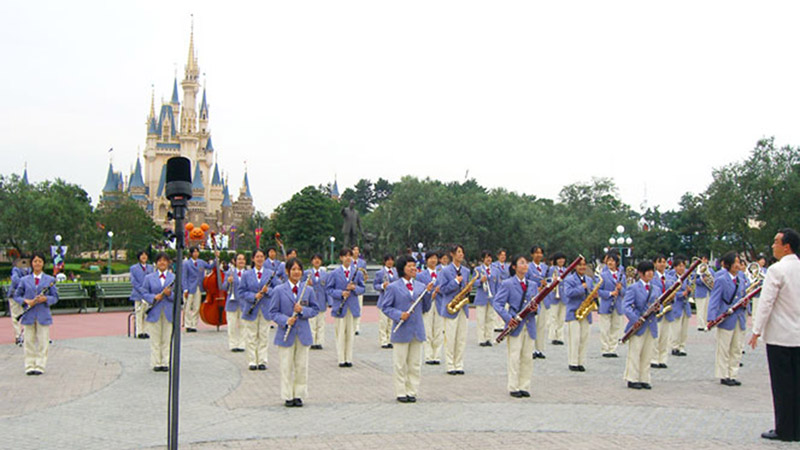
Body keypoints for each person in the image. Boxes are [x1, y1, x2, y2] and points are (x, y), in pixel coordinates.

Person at [749, 228, 800, 441]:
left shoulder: (776, 270)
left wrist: (756, 330)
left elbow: (766, 303)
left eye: (776, 242)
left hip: (780, 337)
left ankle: (784, 429)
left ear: (786, 246)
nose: (773, 246)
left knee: (782, 387)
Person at [380, 255, 434, 403]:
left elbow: (426, 308)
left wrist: (428, 294)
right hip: (401, 330)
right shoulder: (393, 287)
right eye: (409, 266)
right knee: (400, 363)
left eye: (414, 266)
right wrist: (399, 315)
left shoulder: (421, 286)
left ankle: (412, 391)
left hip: (417, 330)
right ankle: (401, 391)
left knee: (415, 364)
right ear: (402, 268)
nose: (413, 268)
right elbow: (386, 307)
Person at [270, 258, 319, 407]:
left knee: (301, 366)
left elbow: (315, 309)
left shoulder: (308, 290)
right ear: (287, 271)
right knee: (286, 366)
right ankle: (287, 395)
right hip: (286, 333)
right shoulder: (279, 290)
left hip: (303, 333)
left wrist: (302, 310)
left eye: (299, 269)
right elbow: (273, 312)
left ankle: (299, 394)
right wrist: (285, 320)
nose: (296, 272)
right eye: (293, 269)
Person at [493, 255, 537, 398]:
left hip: (529, 324)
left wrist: (535, 309)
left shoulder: (533, 284)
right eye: (522, 263)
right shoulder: (508, 283)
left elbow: (537, 304)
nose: (525, 265)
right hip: (515, 324)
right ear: (514, 267)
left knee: (527, 357)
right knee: (514, 356)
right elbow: (497, 303)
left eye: (526, 263)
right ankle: (513, 386)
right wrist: (508, 318)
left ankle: (525, 385)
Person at [13, 252, 58, 375]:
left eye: (40, 261)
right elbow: (16, 296)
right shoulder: (24, 280)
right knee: (28, 341)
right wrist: (26, 301)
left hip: (43, 314)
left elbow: (55, 297)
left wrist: (46, 299)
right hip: (29, 315)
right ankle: (29, 365)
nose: (37, 263)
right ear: (32, 263)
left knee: (43, 341)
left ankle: (40, 365)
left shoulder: (50, 280)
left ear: (43, 264)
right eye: (35, 261)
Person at [708, 251, 748, 386]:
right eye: (735, 262)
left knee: (737, 347)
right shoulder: (721, 279)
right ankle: (723, 375)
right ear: (729, 264)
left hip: (739, 317)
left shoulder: (741, 279)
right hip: (726, 317)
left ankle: (733, 374)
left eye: (739, 262)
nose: (738, 265)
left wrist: (745, 304)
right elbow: (715, 299)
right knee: (724, 347)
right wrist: (711, 317)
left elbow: (744, 296)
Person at [326, 247, 366, 367]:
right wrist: (340, 293)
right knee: (340, 334)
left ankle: (349, 358)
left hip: (352, 307)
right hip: (340, 306)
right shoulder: (334, 273)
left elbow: (362, 288)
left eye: (349, 255)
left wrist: (355, 288)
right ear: (341, 258)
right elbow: (329, 289)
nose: (347, 258)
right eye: (345, 256)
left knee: (350, 334)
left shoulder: (357, 272)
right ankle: (341, 359)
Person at [623, 261, 658, 389]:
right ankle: (632, 378)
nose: (650, 273)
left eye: (651, 271)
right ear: (641, 273)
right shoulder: (634, 287)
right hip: (638, 324)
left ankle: (644, 378)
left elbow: (660, 304)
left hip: (651, 324)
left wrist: (658, 308)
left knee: (647, 353)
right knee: (635, 352)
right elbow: (626, 306)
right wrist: (635, 319)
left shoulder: (656, 288)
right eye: (647, 271)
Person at [438, 244, 472, 375]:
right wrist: (456, 282)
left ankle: (459, 364)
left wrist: (467, 288)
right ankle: (450, 364)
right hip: (450, 307)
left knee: (461, 338)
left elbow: (465, 287)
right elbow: (443, 289)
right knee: (450, 337)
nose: (461, 254)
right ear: (452, 254)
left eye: (462, 252)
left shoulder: (466, 271)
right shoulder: (445, 271)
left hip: (462, 307)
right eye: (458, 252)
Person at [241, 249, 275, 371]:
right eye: (257, 257)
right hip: (251, 308)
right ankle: (252, 361)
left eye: (262, 256)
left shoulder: (270, 273)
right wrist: (253, 296)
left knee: (264, 336)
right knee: (251, 335)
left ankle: (262, 361)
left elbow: (277, 290)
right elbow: (241, 292)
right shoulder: (246, 274)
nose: (260, 259)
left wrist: (268, 291)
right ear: (253, 259)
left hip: (265, 309)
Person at [141, 252, 175, 372]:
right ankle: (156, 362)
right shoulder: (149, 278)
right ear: (156, 263)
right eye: (160, 260)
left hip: (168, 312)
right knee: (155, 339)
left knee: (166, 338)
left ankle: (166, 362)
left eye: (164, 260)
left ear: (168, 263)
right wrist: (154, 297)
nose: (162, 263)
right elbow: (144, 293)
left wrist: (170, 294)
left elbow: (179, 296)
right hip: (154, 311)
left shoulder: (173, 278)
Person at [563, 259, 596, 372]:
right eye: (579, 265)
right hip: (574, 311)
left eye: (584, 265)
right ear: (575, 266)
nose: (582, 267)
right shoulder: (569, 279)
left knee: (584, 338)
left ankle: (581, 361)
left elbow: (591, 292)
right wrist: (582, 287)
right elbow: (568, 293)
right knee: (575, 338)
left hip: (586, 312)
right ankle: (573, 362)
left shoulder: (589, 279)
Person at [181, 246, 217, 332]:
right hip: (190, 287)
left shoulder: (201, 262)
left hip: (199, 287)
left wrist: (216, 258)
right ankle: (187, 324)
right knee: (188, 306)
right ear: (191, 253)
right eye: (194, 252)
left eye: (197, 252)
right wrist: (185, 289)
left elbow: (210, 266)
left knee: (196, 307)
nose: (196, 253)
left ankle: (193, 324)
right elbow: (184, 277)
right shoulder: (186, 263)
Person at [417, 251, 443, 365]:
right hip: (427, 303)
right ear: (426, 260)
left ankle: (437, 355)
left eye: (435, 258)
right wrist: (429, 293)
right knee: (427, 329)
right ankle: (428, 355)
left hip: (439, 303)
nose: (433, 260)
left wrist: (439, 291)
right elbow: (418, 290)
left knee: (438, 329)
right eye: (431, 258)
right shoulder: (421, 275)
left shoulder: (442, 273)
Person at [597, 253, 625, 357]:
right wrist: (610, 293)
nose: (610, 262)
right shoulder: (603, 275)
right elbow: (598, 291)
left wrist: (620, 288)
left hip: (617, 304)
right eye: (608, 260)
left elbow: (626, 292)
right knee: (605, 327)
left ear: (616, 262)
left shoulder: (622, 275)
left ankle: (613, 348)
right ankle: (605, 348)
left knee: (616, 327)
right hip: (606, 303)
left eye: (612, 261)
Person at [526, 246, 548, 359]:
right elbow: (526, 282)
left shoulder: (545, 267)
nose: (538, 255)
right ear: (532, 255)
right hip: (533, 298)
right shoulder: (528, 267)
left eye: (540, 253)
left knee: (541, 325)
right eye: (536, 253)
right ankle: (531, 348)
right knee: (532, 324)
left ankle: (540, 349)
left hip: (544, 298)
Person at [650, 254, 672, 369]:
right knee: (655, 336)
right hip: (657, 310)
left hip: (667, 310)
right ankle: (653, 358)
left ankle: (662, 359)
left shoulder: (670, 278)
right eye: (659, 262)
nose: (662, 264)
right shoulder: (652, 278)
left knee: (665, 336)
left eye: (664, 262)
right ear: (655, 264)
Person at [222, 253, 247, 352]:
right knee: (231, 325)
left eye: (243, 259)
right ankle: (233, 344)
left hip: (244, 303)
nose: (241, 261)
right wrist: (228, 281)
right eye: (239, 259)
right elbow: (223, 287)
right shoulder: (229, 272)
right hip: (232, 302)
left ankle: (242, 344)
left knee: (243, 325)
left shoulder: (248, 273)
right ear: (235, 261)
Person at [668, 256, 692, 357]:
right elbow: (670, 292)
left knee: (684, 328)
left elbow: (690, 290)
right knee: (676, 328)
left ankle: (682, 346)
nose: (682, 268)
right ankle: (674, 346)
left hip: (685, 305)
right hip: (676, 304)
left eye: (683, 266)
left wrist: (689, 291)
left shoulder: (687, 278)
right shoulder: (672, 278)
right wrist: (682, 294)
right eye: (680, 266)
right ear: (675, 267)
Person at [305, 254, 329, 350]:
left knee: (321, 323)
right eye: (314, 259)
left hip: (321, 301)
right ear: (311, 261)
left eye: (318, 259)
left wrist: (329, 302)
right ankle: (312, 342)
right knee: (311, 323)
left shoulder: (325, 274)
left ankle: (319, 342)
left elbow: (327, 288)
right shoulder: (307, 273)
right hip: (310, 302)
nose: (317, 261)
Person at [473, 250, 496, 347]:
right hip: (481, 297)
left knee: (490, 318)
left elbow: (497, 284)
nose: (489, 259)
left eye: (490, 257)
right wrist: (480, 281)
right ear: (483, 259)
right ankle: (481, 339)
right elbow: (473, 283)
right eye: (486, 257)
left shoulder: (495, 269)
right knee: (481, 319)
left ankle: (489, 338)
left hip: (492, 297)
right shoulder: (478, 269)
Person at [374, 254, 397, 349]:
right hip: (384, 300)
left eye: (391, 260)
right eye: (388, 260)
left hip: (394, 300)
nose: (390, 262)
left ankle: (390, 339)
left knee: (391, 322)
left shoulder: (396, 272)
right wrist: (382, 286)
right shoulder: (380, 272)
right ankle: (383, 340)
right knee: (383, 322)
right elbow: (375, 285)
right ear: (384, 261)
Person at [129, 251, 153, 339]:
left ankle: (146, 331)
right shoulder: (133, 268)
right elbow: (133, 281)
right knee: (139, 313)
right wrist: (141, 290)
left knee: (146, 313)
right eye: (142, 255)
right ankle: (139, 331)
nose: (144, 257)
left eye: (145, 255)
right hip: (138, 294)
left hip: (148, 295)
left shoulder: (150, 268)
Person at [8, 255, 31, 346]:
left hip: (26, 296)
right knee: (16, 315)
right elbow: (15, 280)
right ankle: (18, 335)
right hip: (14, 295)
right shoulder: (16, 270)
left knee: (28, 314)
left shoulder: (30, 270)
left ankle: (24, 335)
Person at [546, 253, 568, 345]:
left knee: (561, 317)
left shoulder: (566, 270)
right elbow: (547, 280)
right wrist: (552, 280)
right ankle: (553, 336)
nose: (561, 261)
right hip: (553, 295)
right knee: (553, 317)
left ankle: (560, 336)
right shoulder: (551, 269)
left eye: (563, 259)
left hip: (563, 296)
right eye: (559, 259)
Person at [693, 255, 714, 331]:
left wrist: (708, 279)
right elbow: (694, 280)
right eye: (703, 259)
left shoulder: (711, 270)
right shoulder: (697, 270)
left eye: (705, 259)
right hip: (700, 292)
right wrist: (702, 280)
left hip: (708, 292)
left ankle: (706, 324)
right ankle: (700, 325)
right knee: (700, 309)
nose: (704, 260)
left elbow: (713, 279)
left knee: (707, 309)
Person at [351, 245, 367, 335]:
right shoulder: (349, 261)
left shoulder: (362, 262)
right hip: (350, 287)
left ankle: (357, 326)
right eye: (354, 250)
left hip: (358, 287)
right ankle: (351, 326)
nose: (356, 252)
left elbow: (365, 273)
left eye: (357, 250)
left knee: (359, 307)